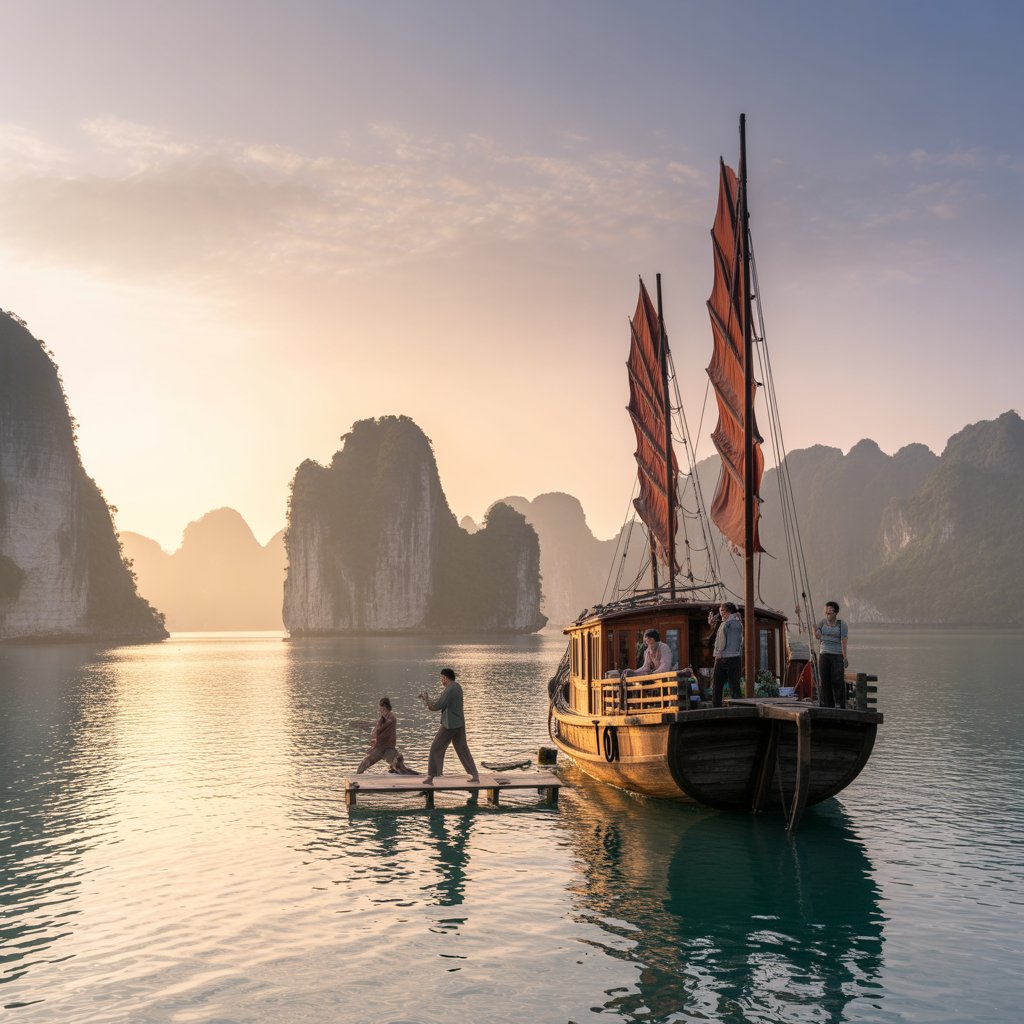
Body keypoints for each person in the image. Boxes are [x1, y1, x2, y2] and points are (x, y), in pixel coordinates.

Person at [419, 668, 479, 785]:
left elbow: (436, 706)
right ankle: (475, 775)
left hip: (450, 725)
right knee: (463, 750)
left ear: (446, 678)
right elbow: (440, 702)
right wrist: (428, 700)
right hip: (459, 723)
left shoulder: (449, 690)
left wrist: (426, 700)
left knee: (435, 747)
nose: (441, 680)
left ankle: (431, 777)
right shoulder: (457, 687)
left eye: (441, 678)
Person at [355, 697, 418, 774]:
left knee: (400, 767)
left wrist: (375, 742)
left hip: (387, 748)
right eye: (380, 709)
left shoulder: (391, 718)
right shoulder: (382, 718)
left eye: (382, 709)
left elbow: (382, 732)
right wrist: (374, 741)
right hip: (380, 748)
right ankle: (357, 779)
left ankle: (416, 776)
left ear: (385, 707)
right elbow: (378, 732)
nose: (381, 711)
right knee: (363, 765)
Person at [814, 600, 849, 708]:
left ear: (835, 613)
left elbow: (844, 641)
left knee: (837, 679)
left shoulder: (842, 624)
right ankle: (829, 705)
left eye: (830, 610)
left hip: (837, 655)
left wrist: (845, 657)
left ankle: (840, 704)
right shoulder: (822, 622)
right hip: (824, 654)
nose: (827, 613)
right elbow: (817, 636)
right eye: (826, 610)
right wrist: (814, 629)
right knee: (825, 681)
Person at [605, 628, 674, 677]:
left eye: (649, 640)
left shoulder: (664, 647)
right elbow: (646, 667)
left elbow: (665, 667)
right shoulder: (647, 651)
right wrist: (633, 672)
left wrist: (651, 674)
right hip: (656, 678)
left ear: (655, 639)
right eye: (646, 641)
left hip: (668, 678)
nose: (648, 643)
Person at [711, 602, 743, 707]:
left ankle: (716, 707)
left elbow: (721, 640)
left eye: (721, 611)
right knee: (734, 685)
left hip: (723, 657)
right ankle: (738, 708)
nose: (720, 614)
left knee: (717, 685)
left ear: (725, 612)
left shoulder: (726, 624)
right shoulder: (738, 623)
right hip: (735, 657)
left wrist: (718, 653)